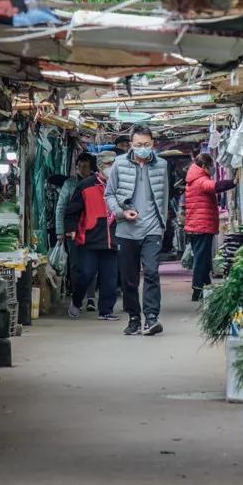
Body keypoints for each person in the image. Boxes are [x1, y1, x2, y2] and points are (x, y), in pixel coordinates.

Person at [104, 125, 170, 336]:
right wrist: (122, 214)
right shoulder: (119, 163)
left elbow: (164, 197)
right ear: (131, 145)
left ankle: (151, 318)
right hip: (127, 230)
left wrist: (162, 225)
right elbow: (109, 195)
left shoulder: (162, 165)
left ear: (153, 144)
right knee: (129, 278)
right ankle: (134, 318)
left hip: (152, 228)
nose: (143, 148)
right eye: (139, 145)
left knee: (152, 272)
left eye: (147, 145)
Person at [66, 159, 119, 320]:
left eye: (113, 165)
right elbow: (72, 210)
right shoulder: (86, 185)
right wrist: (71, 229)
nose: (110, 168)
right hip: (90, 236)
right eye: (108, 165)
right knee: (86, 273)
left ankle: (106, 310)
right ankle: (76, 301)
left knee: (110, 277)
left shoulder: (121, 185)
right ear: (100, 167)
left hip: (112, 237)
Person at [183, 151, 220, 301]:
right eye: (210, 165)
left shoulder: (193, 178)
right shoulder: (200, 180)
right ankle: (197, 289)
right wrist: (234, 183)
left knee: (202, 258)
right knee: (200, 259)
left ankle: (206, 287)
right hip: (202, 226)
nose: (212, 168)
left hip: (196, 225)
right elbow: (215, 187)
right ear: (204, 165)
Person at [55, 155, 94, 294]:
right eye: (81, 166)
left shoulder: (95, 182)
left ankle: (90, 295)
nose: (83, 169)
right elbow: (60, 208)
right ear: (76, 167)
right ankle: (77, 292)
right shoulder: (70, 184)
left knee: (91, 263)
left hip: (92, 229)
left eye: (87, 166)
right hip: (73, 230)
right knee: (75, 263)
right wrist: (60, 231)